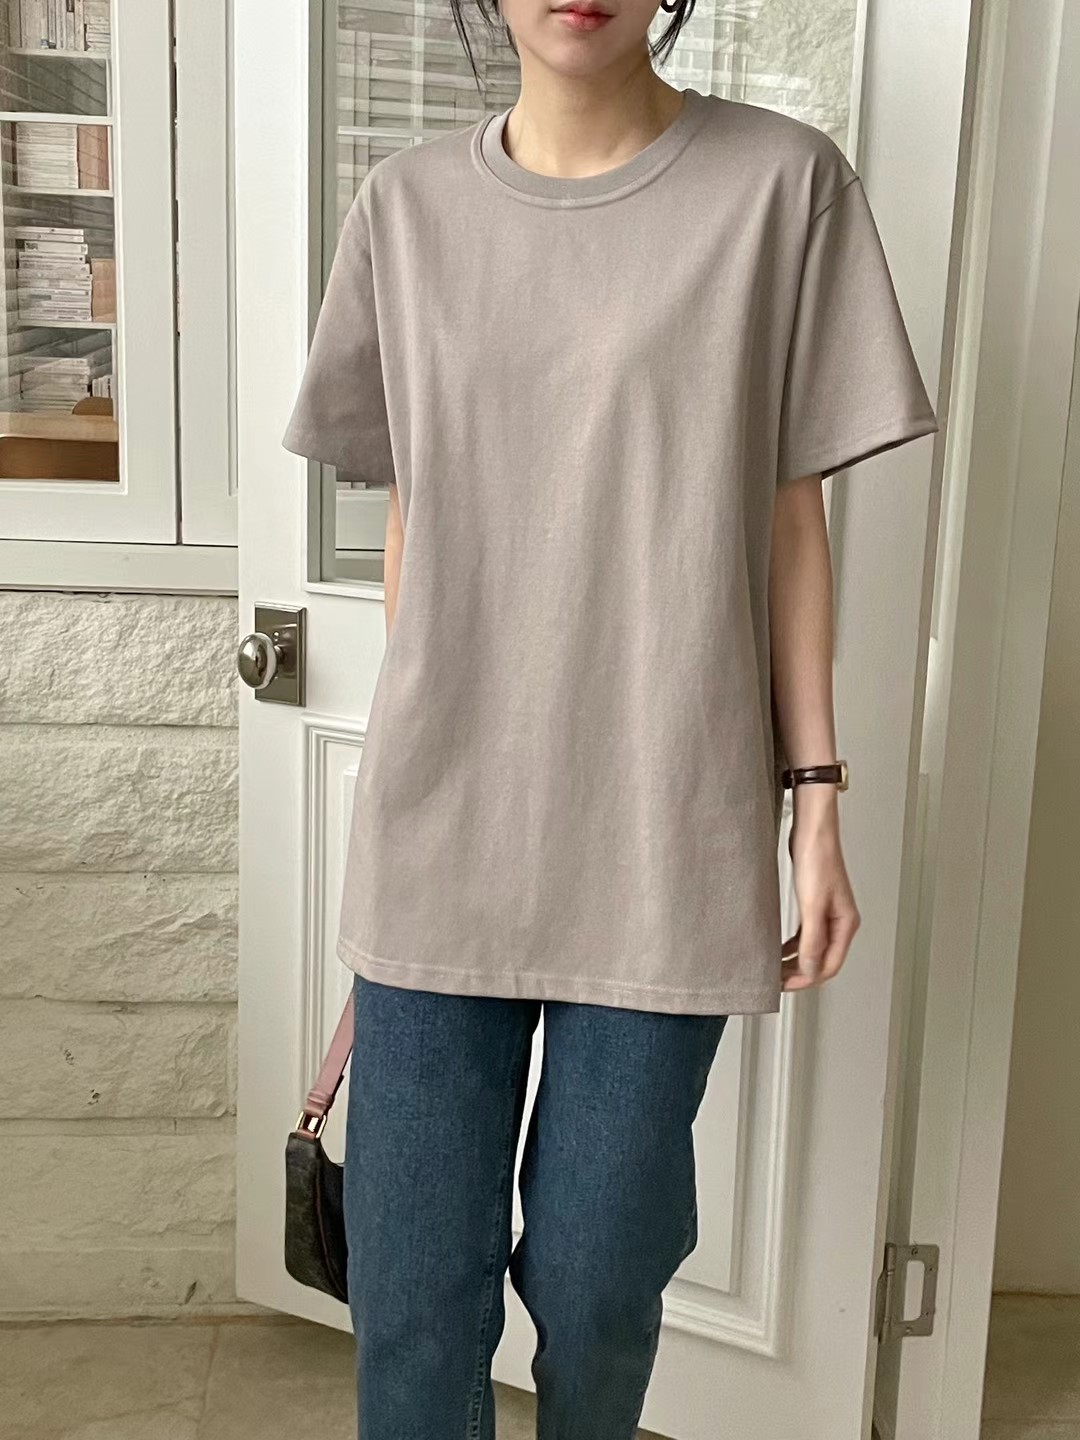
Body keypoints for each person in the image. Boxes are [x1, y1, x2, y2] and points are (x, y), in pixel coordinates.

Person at [281, 0, 939, 1431]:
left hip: (667, 823)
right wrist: (437, 734)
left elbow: (791, 518)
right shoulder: (405, 209)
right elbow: (413, 515)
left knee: (599, 1278)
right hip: (446, 827)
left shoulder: (782, 187)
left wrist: (817, 799)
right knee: (412, 1295)